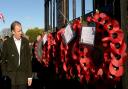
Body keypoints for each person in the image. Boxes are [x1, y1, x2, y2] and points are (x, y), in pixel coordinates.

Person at [1, 21, 32, 89]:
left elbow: (28, 60)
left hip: (23, 77)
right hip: (11, 78)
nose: (21, 32)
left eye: (21, 30)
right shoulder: (7, 43)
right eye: (18, 31)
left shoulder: (25, 42)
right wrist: (4, 75)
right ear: (13, 32)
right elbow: (3, 60)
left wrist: (30, 76)